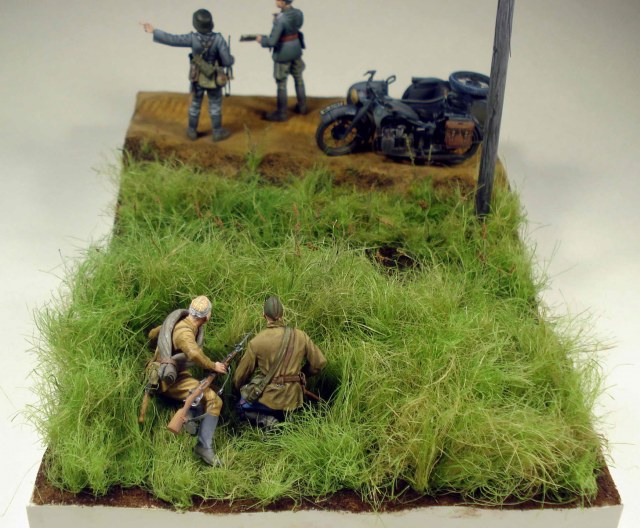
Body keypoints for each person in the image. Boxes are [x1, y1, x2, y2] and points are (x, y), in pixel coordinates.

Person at [147, 296, 227, 466]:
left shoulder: (178, 322)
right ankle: (203, 447)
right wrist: (214, 366)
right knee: (214, 400)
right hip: (169, 379)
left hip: (174, 372)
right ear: (207, 317)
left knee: (208, 389)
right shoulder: (184, 332)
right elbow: (194, 353)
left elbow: (153, 334)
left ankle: (191, 415)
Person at [233, 296, 326, 429]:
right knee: (289, 409)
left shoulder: (256, 342)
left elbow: (240, 376)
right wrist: (302, 375)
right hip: (294, 399)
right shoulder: (301, 335)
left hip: (270, 400)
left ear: (264, 315)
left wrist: (237, 391)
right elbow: (319, 362)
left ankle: (268, 421)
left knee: (240, 406)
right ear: (282, 314)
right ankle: (289, 418)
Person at [141, 9, 234, 141]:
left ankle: (191, 131)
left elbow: (172, 39)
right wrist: (231, 59)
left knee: (195, 103)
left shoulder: (192, 38)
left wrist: (154, 31)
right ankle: (217, 132)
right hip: (213, 78)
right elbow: (227, 61)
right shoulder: (219, 39)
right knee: (215, 105)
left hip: (197, 77)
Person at [255, 0, 307, 121]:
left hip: (283, 53)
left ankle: (281, 113)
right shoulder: (298, 13)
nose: (276, 1)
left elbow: (272, 41)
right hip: (296, 48)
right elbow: (296, 26)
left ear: (283, 2)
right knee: (298, 78)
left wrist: (261, 40)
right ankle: (302, 107)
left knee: (281, 83)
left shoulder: (281, 19)